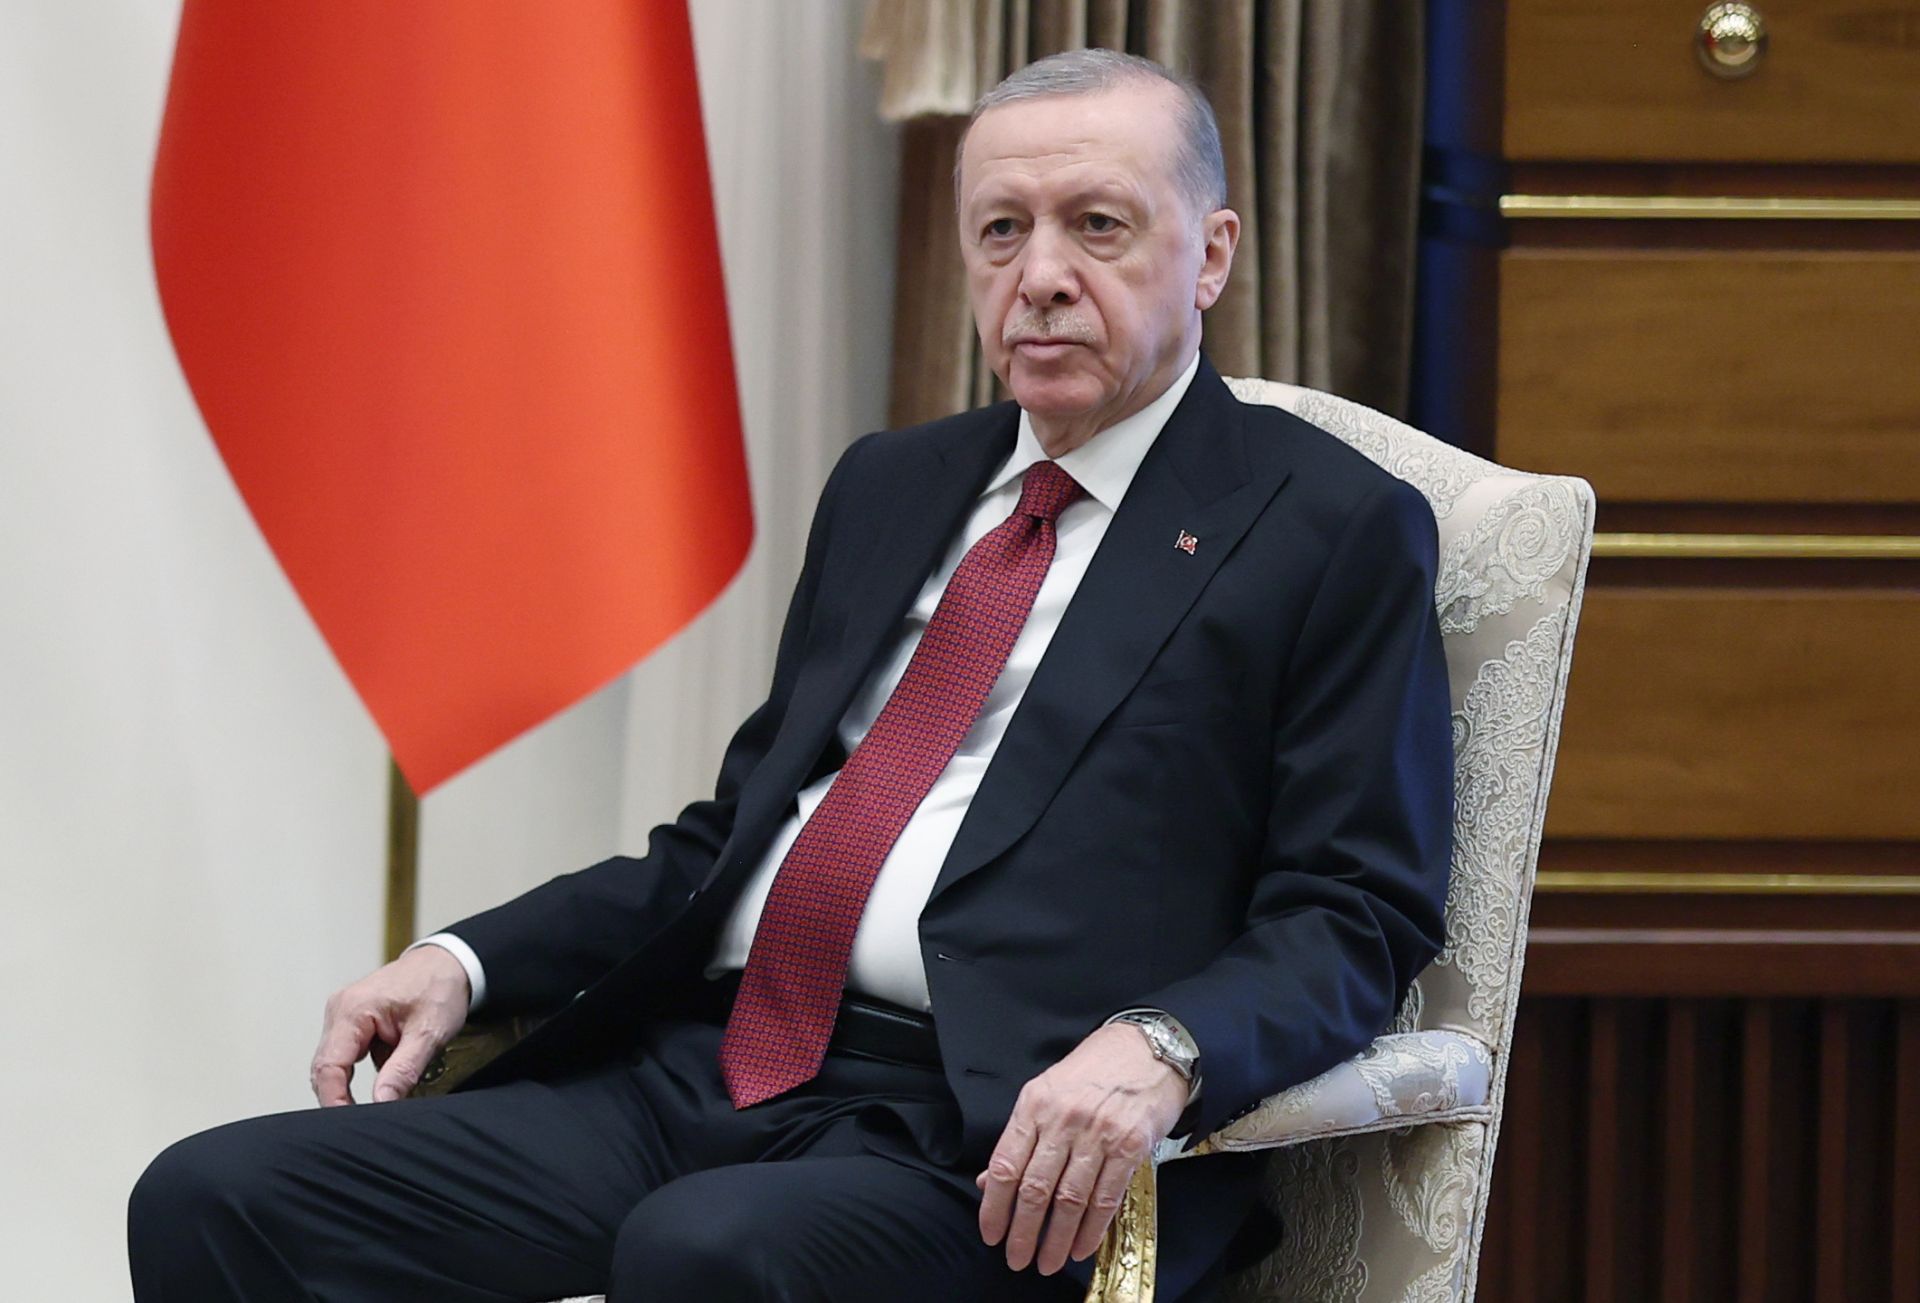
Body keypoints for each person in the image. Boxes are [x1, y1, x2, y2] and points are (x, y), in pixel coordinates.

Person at [129, 49, 1451, 1303]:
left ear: (1210, 253)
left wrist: (1162, 1046)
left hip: (991, 1131)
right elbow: (733, 840)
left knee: (704, 1252)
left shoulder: (1326, 527)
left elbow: (1354, 910)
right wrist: (466, 960)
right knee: (217, 1198)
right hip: (716, 1066)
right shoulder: (895, 484)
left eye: (1097, 226)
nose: (1040, 276)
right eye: (1000, 231)